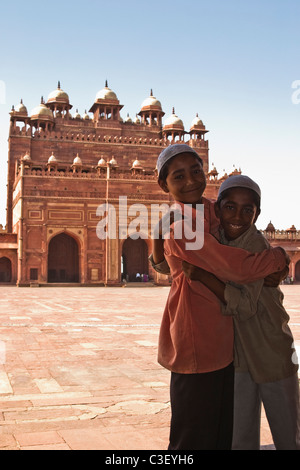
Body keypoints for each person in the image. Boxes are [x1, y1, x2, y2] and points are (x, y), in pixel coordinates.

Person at [152, 144, 289, 450]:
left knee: (220, 430)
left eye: (196, 170)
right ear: (164, 185)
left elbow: (245, 225)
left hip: (223, 343)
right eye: (179, 176)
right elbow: (234, 267)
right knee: (193, 433)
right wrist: (278, 258)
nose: (191, 180)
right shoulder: (180, 226)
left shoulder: (212, 211)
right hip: (196, 341)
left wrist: (272, 262)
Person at [182, 174, 300, 450]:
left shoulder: (257, 248)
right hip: (236, 357)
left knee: (288, 437)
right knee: (240, 439)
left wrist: (204, 276)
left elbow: (245, 306)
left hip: (272, 352)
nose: (238, 215)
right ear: (218, 208)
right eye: (229, 206)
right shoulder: (214, 240)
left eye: (248, 209)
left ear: (257, 214)